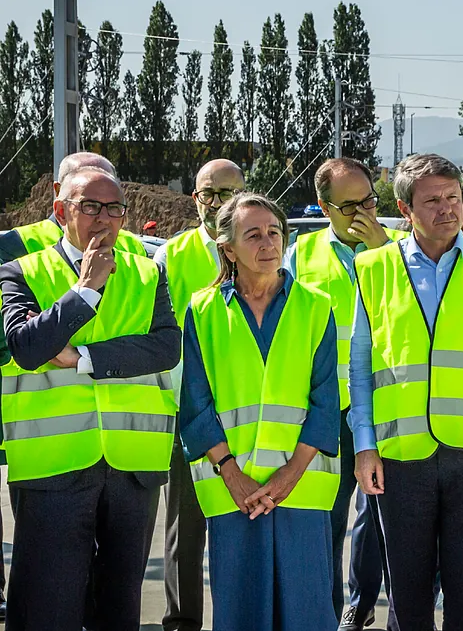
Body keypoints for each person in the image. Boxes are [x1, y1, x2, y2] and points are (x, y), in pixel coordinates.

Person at [349, 153, 463, 630]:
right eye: (432, 201)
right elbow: (361, 366)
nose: (448, 209)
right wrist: (365, 444)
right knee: (407, 598)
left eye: (453, 198)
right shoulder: (372, 268)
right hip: (401, 454)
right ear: (405, 210)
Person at [0, 166, 180, 631]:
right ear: (61, 211)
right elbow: (27, 348)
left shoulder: (147, 272)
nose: (104, 219)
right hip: (52, 467)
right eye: (90, 207)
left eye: (115, 209)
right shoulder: (21, 270)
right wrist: (85, 291)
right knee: (46, 607)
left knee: (118, 610)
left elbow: (164, 347)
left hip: (132, 470)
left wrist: (82, 357)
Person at [178, 192, 340, 631]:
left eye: (274, 233)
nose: (268, 243)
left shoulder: (317, 306)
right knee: (241, 613)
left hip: (302, 487)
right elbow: (195, 403)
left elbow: (326, 402)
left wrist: (288, 476)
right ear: (228, 248)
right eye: (253, 235)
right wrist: (231, 472)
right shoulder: (203, 310)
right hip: (233, 491)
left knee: (306, 612)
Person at [283, 157, 402, 630]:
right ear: (323, 207)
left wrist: (382, 253)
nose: (363, 213)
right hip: (328, 412)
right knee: (324, 522)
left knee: (382, 519)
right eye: (350, 205)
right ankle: (330, 612)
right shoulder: (301, 254)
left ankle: (368, 600)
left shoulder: (400, 251)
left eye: (370, 200)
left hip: (387, 405)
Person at [151, 158, 246, 631]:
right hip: (188, 416)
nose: (222, 203)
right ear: (195, 198)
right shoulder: (170, 256)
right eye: (212, 193)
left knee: (239, 528)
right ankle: (182, 622)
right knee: (185, 533)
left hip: (247, 414)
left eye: (232, 192)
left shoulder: (262, 249)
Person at [0, 152, 147, 260]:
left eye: (107, 182)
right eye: (90, 204)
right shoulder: (17, 244)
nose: (102, 217)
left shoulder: (133, 246)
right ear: (58, 191)